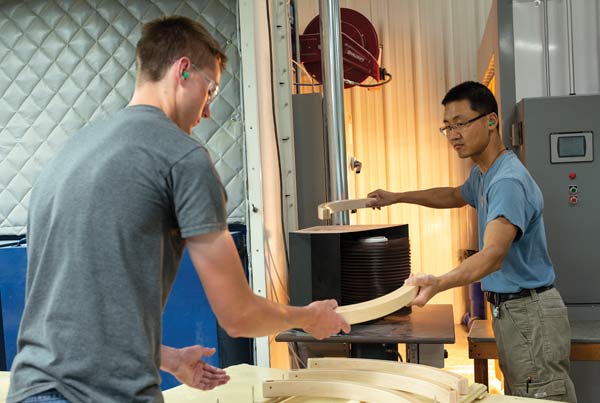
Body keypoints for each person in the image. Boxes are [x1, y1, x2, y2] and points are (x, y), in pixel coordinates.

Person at [7, 16, 350, 403]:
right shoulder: (181, 158)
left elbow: (80, 315)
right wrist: (308, 317)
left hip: (31, 392)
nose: (207, 111)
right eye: (211, 89)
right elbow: (237, 316)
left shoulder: (70, 153)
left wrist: (167, 358)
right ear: (183, 70)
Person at [368, 81, 576, 402]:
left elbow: (493, 255)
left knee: (538, 396)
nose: (453, 135)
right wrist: (396, 196)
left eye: (461, 123)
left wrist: (439, 282)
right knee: (522, 394)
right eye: (447, 127)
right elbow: (453, 195)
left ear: (491, 121)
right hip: (514, 311)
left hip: (529, 313)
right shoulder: (484, 173)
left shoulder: (507, 181)